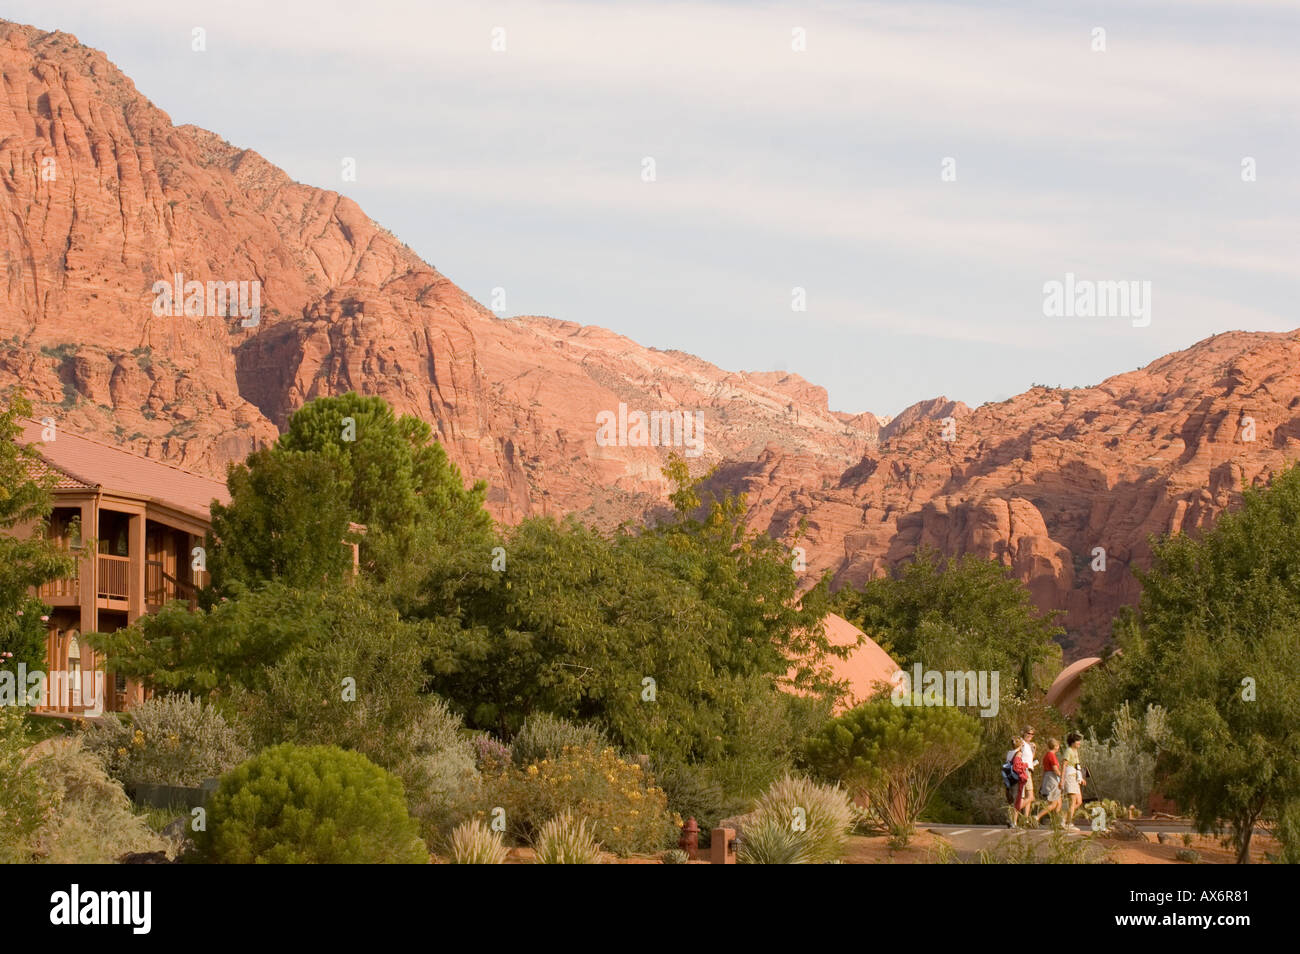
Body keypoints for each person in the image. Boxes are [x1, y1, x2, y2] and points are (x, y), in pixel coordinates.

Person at [1035, 738, 1063, 826]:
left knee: (1059, 802)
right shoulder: (1052, 756)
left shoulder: (1047, 755)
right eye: (1058, 745)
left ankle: (1055, 821)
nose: (1059, 747)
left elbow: (1044, 770)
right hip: (1052, 779)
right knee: (1053, 803)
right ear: (1055, 746)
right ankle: (1037, 817)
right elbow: (1055, 770)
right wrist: (1062, 776)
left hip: (1048, 778)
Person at [1063, 732, 1085, 831]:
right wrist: (1062, 779)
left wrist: (1081, 778)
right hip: (1070, 777)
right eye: (1077, 741)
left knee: (1079, 801)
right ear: (1072, 742)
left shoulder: (1075, 751)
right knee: (1072, 801)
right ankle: (1068, 823)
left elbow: (1077, 766)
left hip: (1076, 778)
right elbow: (1064, 764)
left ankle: (1064, 819)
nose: (1079, 743)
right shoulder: (1069, 751)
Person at [1018, 727, 1037, 817]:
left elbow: (1031, 758)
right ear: (1024, 733)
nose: (1030, 736)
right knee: (1029, 796)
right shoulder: (1021, 743)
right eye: (1029, 733)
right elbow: (1018, 755)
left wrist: (1034, 749)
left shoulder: (1029, 745)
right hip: (1023, 770)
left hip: (1029, 770)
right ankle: (1015, 811)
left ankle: (1025, 818)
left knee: (1028, 796)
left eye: (1032, 734)